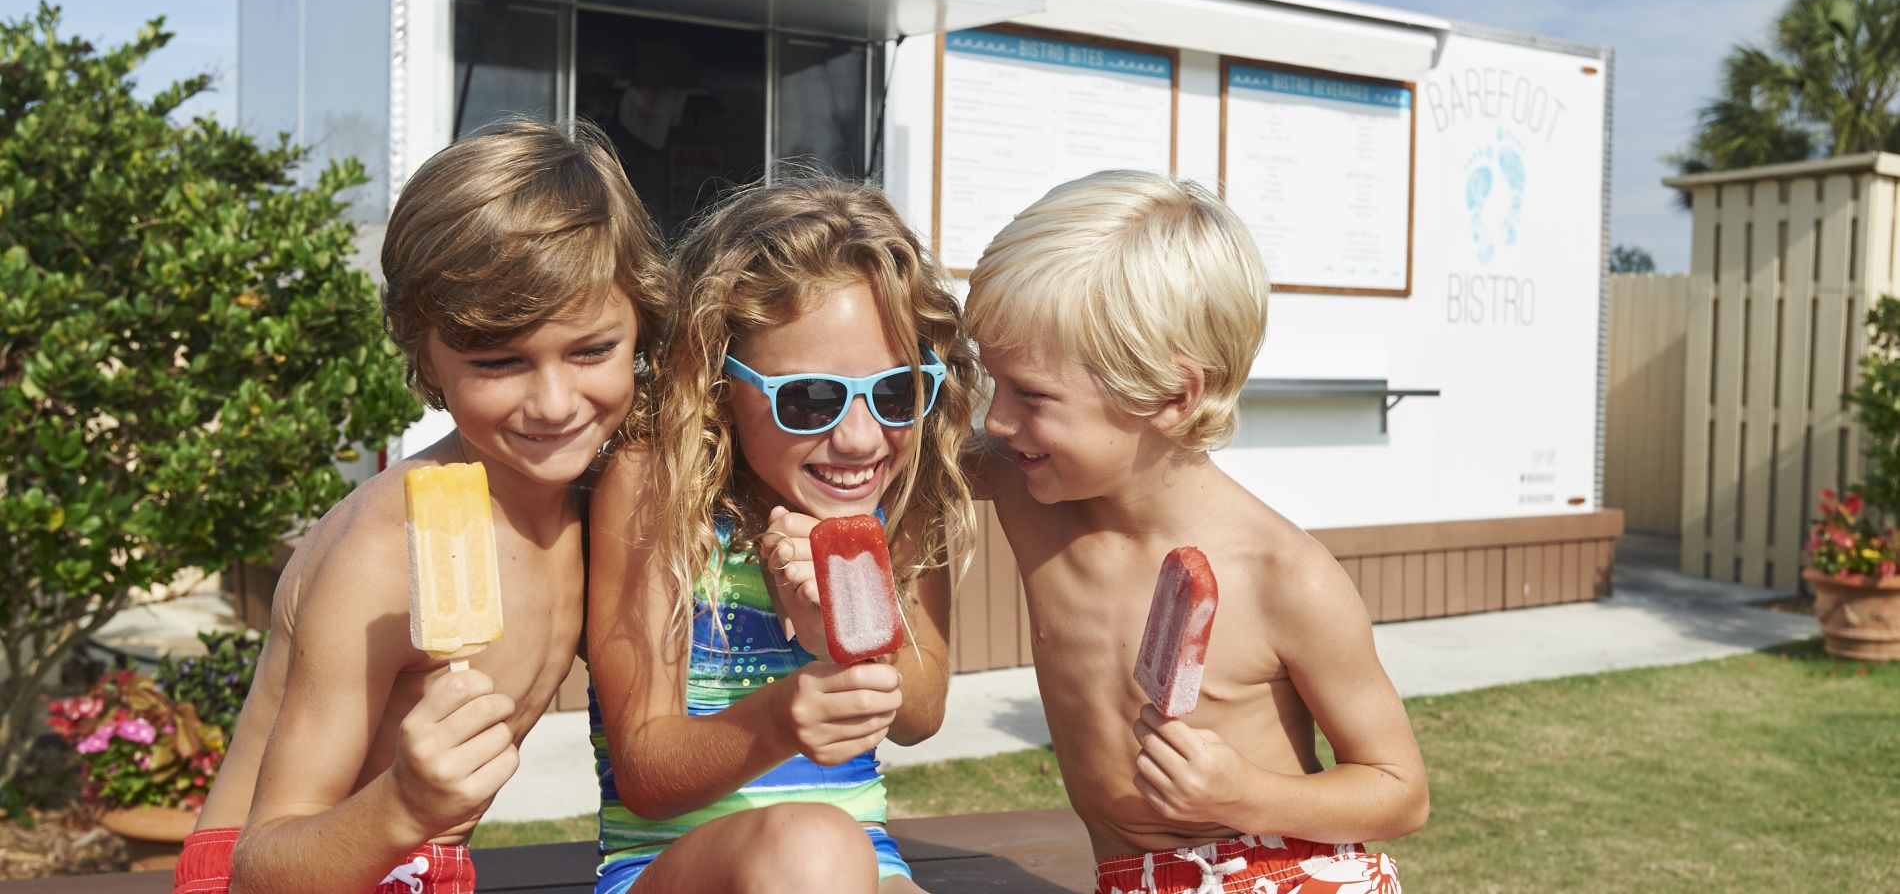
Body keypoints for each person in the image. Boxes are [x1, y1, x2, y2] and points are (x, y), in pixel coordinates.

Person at [173, 121, 673, 894]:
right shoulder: (387, 554)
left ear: (640, 315)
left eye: (591, 351)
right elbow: (259, 866)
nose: (553, 402)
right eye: (497, 362)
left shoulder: (598, 497)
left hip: (430, 867)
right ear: (419, 345)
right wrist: (406, 803)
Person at [964, 170, 1427, 894]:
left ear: (1172, 395)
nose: (996, 418)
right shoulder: (1028, 491)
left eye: (1031, 394)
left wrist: (1243, 793)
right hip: (1128, 876)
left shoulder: (1282, 576)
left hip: (1282, 871)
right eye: (994, 382)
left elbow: (1400, 790)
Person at [586, 176, 980, 894]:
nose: (861, 438)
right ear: (715, 384)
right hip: (675, 866)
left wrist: (846, 629)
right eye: (810, 400)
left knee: (831, 853)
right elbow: (645, 774)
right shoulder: (656, 488)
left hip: (866, 863)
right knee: (812, 849)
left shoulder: (902, 493)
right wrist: (777, 720)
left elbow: (920, 714)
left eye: (895, 391)